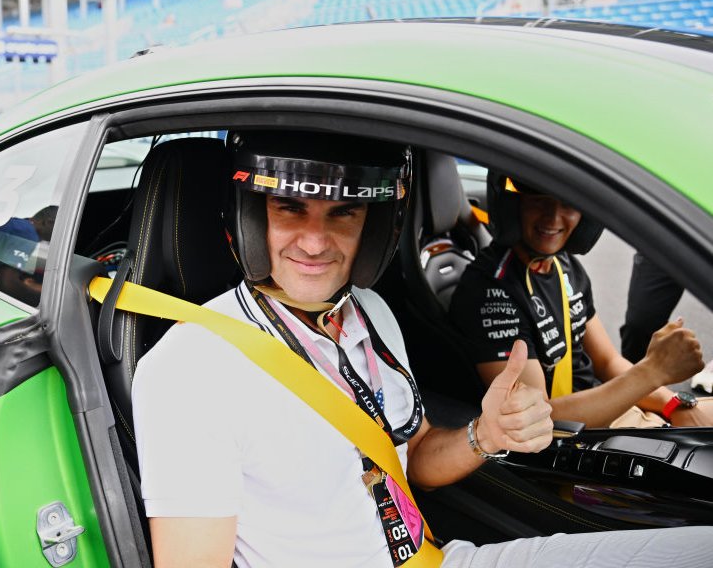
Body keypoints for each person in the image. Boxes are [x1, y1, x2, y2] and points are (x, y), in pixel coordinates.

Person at [131, 132, 713, 567]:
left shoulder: (371, 314)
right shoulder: (191, 369)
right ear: (251, 218)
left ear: (373, 225)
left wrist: (488, 434)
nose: (315, 240)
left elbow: (420, 460)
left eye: (344, 212)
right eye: (289, 209)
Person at [449, 175, 713, 428]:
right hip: (570, 437)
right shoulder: (489, 291)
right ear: (514, 204)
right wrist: (653, 371)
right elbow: (534, 418)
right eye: (539, 200)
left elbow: (607, 361)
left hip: (606, 408)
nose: (553, 218)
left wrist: (674, 404)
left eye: (567, 203)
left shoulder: (563, 265)